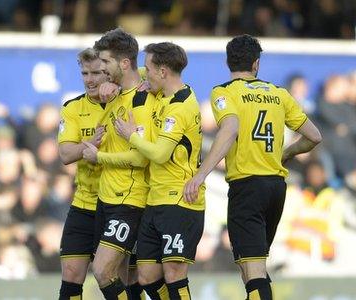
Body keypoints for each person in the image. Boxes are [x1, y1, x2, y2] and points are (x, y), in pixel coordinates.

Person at [183, 34, 322, 300]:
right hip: (275, 189)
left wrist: (201, 174)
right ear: (256, 64)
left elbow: (229, 129)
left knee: (254, 272)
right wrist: (286, 154)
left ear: (228, 63)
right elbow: (314, 136)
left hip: (247, 187)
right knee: (254, 270)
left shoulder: (224, 92)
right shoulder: (279, 94)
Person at [95, 42, 204, 299]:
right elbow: (134, 73)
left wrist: (131, 136)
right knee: (146, 277)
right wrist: (113, 83)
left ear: (163, 72)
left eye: (149, 69)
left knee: (175, 274)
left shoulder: (180, 107)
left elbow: (159, 154)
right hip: (155, 200)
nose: (146, 73)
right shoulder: (163, 93)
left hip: (180, 200)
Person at [81, 28, 152, 300]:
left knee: (101, 271)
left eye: (106, 62)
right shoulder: (116, 94)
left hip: (129, 200)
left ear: (124, 63)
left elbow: (140, 157)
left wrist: (98, 157)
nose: (100, 69)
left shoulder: (143, 101)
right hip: (106, 197)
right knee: (122, 275)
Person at [56, 48, 107, 299]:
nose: (90, 79)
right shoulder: (73, 108)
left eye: (96, 72)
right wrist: (91, 145)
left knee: (117, 276)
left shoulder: (127, 102)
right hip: (84, 203)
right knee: (71, 273)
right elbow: (65, 155)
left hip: (118, 204)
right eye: (85, 73)